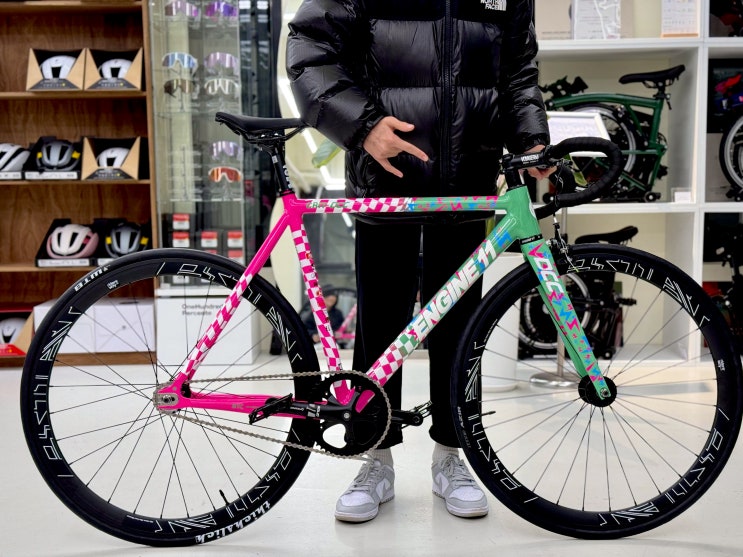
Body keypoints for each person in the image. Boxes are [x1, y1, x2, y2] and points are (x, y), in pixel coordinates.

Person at [286, 0, 552, 523]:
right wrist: (362, 125)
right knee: (381, 325)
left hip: (469, 179)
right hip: (385, 179)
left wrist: (531, 137)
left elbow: (517, 69)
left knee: (461, 328)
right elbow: (309, 47)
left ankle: (452, 455)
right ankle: (375, 458)